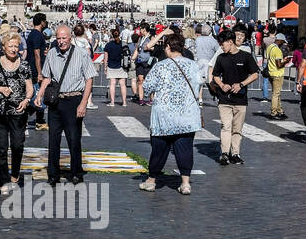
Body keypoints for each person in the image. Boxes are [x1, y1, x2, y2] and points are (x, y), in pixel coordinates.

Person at [139, 30, 202, 195]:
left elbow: (147, 87)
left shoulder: (160, 66)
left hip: (164, 116)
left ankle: (151, 181)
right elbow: (198, 85)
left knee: (159, 150)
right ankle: (185, 183)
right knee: (185, 149)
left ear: (167, 47)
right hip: (186, 115)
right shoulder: (193, 65)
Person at [35, 23, 95, 186]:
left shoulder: (81, 54)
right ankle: (53, 174)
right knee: (53, 140)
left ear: (71, 38)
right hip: (56, 101)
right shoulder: (52, 53)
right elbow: (47, 77)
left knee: (74, 139)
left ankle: (76, 172)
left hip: (74, 100)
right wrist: (39, 94)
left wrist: (83, 103)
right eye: (58, 38)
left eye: (64, 38)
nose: (61, 41)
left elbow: (89, 79)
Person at [0, 28, 33, 195]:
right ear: (3, 47)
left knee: (18, 145)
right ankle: (3, 181)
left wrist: (27, 100)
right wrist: (0, 89)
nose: (13, 49)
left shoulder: (25, 65)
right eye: (10, 46)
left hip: (18, 111)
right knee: (1, 148)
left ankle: (15, 173)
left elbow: (30, 88)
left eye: (16, 46)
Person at [210, 29, 260, 166]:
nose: (221, 46)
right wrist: (221, 84)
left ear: (230, 42)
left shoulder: (245, 56)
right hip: (224, 99)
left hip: (240, 99)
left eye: (222, 44)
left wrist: (242, 84)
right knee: (226, 127)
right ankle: (225, 153)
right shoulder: (221, 58)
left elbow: (255, 74)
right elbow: (215, 75)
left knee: (237, 129)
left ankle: (235, 153)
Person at [25, 13, 49, 129]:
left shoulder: (33, 34)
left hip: (34, 68)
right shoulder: (37, 36)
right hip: (36, 69)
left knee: (37, 93)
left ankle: (38, 119)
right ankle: (39, 121)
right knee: (38, 93)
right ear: (42, 22)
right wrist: (40, 73)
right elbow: (36, 55)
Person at [265, 32, 288, 120]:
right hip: (277, 74)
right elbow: (279, 65)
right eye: (282, 42)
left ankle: (280, 111)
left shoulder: (270, 47)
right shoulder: (277, 50)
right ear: (280, 40)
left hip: (271, 72)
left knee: (277, 93)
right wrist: (285, 61)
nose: (283, 43)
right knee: (276, 94)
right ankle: (273, 112)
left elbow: (270, 59)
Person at [104, 27, 128, 107]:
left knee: (112, 84)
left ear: (112, 35)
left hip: (111, 66)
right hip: (121, 66)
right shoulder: (124, 44)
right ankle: (124, 102)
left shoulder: (108, 45)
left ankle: (112, 102)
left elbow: (105, 58)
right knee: (122, 84)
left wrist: (105, 67)